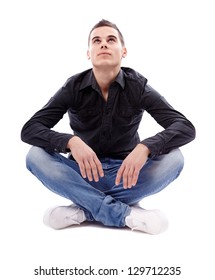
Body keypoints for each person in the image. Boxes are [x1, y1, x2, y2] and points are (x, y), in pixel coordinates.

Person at [21, 19, 195, 234]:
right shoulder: (73, 87)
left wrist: (145, 147)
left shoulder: (138, 87)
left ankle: (85, 209)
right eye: (97, 40)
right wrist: (70, 142)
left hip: (127, 176)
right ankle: (126, 214)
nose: (103, 44)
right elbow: (30, 129)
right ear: (89, 53)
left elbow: (185, 126)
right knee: (35, 155)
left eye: (111, 40)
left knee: (174, 158)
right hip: (81, 175)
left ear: (123, 51)